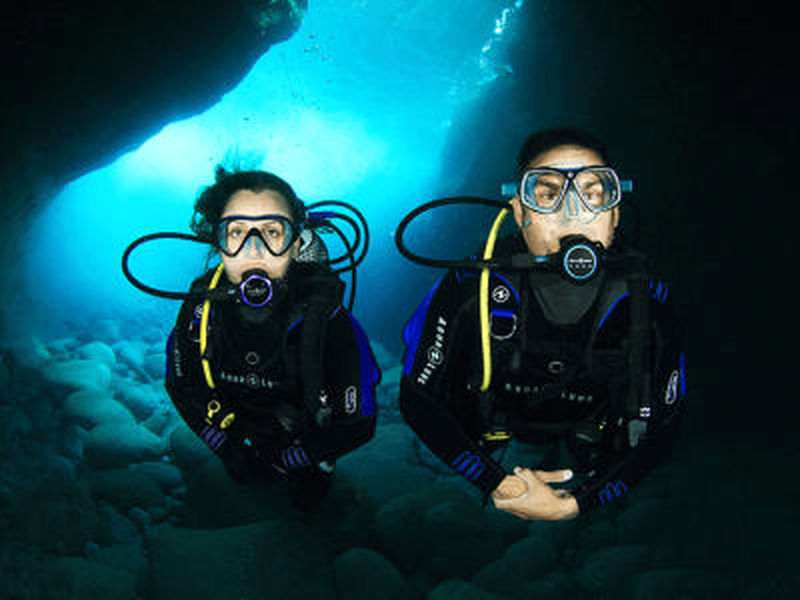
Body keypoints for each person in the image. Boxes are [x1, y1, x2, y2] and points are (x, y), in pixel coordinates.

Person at [398, 128, 687, 520]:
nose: (574, 212)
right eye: (549, 194)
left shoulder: (647, 303)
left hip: (590, 431)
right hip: (495, 425)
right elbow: (417, 397)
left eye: (594, 192)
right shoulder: (472, 289)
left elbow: (666, 424)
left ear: (615, 212)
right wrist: (494, 481)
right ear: (520, 213)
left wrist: (578, 502)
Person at [163, 167, 380, 511]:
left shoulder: (325, 317)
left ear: (294, 245)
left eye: (271, 232)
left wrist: (292, 458)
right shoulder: (199, 311)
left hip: (304, 431)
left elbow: (359, 421)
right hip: (237, 421)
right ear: (217, 243)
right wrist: (228, 449)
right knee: (243, 483)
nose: (254, 251)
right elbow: (180, 384)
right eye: (236, 232)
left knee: (310, 501)